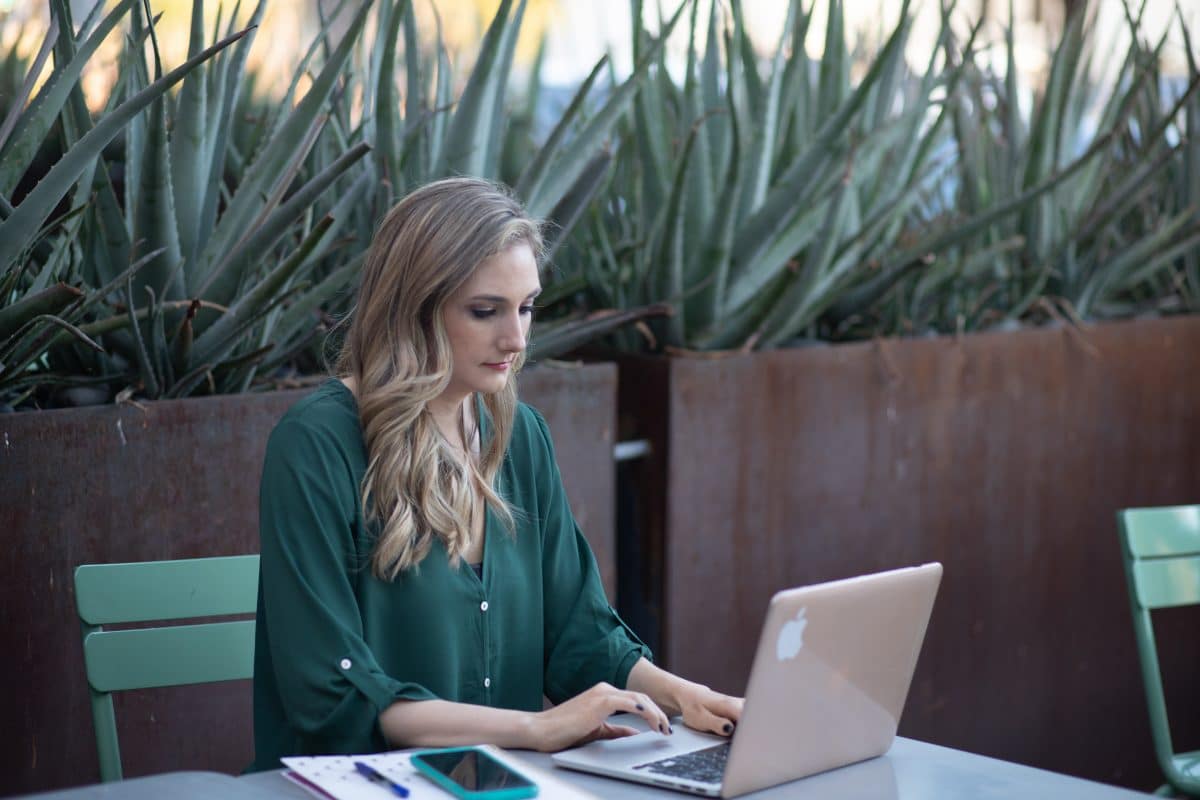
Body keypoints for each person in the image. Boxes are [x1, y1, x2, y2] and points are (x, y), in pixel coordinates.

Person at [250, 177, 742, 770]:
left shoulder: (520, 438)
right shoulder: (316, 446)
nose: (515, 338)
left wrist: (687, 697)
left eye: (527, 307)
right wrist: (534, 729)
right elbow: (332, 692)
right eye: (485, 311)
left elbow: (578, 634)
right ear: (413, 309)